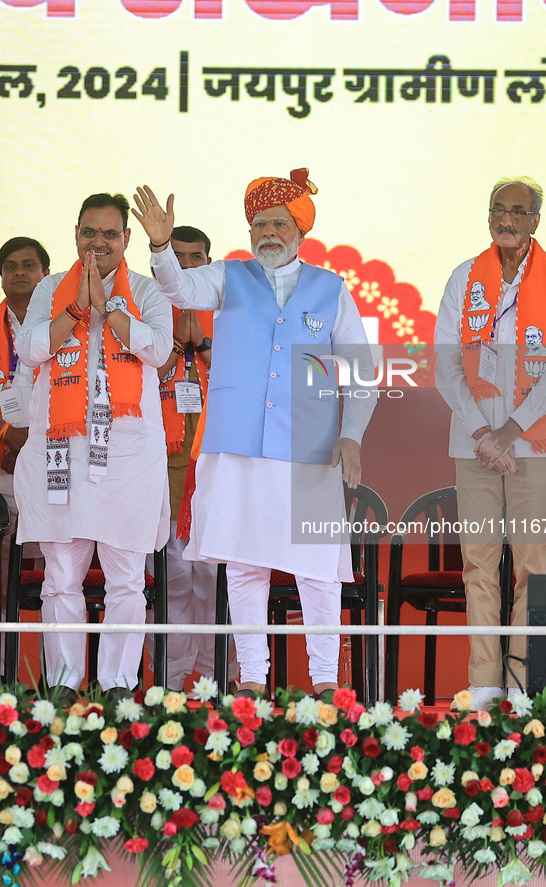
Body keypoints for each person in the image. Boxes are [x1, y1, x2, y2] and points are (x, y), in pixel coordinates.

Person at [132, 170, 375, 700]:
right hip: (237, 446)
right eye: (258, 223)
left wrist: (351, 434)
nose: (267, 231)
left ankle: (327, 684)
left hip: (309, 452)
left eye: (278, 223)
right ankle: (251, 681)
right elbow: (178, 287)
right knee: (244, 567)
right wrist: (159, 245)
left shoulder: (331, 289)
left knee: (316, 571)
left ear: (300, 230)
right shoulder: (229, 277)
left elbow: (360, 370)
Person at [13, 193, 172, 706]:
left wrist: (110, 313)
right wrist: (76, 312)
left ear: (126, 238)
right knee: (61, 576)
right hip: (61, 450)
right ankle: (63, 682)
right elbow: (30, 348)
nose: (98, 243)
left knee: (126, 577)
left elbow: (159, 350)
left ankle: (118, 686)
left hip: (126, 456)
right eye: (89, 232)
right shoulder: (48, 290)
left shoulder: (147, 291)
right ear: (76, 233)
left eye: (109, 234)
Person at [435, 176, 546, 710]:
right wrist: (482, 431)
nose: (506, 219)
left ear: (535, 220)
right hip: (473, 444)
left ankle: (523, 687)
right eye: (498, 208)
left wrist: (511, 428)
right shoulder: (464, 278)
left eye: (517, 211)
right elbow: (445, 361)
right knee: (477, 562)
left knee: (531, 565)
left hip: (536, 444)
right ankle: (483, 683)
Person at [146, 225, 238, 690]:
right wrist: (172, 348)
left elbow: (247, 379)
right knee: (171, 585)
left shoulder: (230, 310)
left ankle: (218, 681)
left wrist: (201, 345)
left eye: (194, 258)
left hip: (216, 475)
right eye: (173, 257)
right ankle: (170, 678)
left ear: (209, 261)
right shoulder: (145, 310)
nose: (183, 266)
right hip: (160, 476)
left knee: (215, 584)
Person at [0, 237, 50, 676]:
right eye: (11, 265)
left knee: (54, 575)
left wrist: (33, 443)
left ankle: (56, 677)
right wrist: (7, 441)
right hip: (2, 466)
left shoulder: (65, 321)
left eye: (28, 265)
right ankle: (3, 673)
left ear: (45, 274)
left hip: (54, 458)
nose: (19, 272)